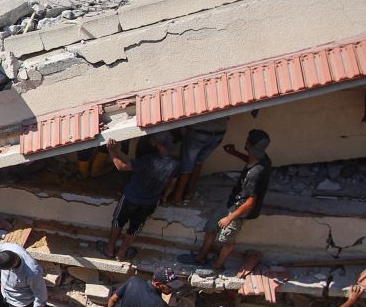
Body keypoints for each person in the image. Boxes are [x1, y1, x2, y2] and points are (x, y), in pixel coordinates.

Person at [182, 128, 272, 276]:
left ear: (249, 144)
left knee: (227, 239)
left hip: (240, 209)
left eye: (248, 139)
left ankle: (217, 264)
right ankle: (201, 257)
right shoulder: (261, 159)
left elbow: (250, 202)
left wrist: (230, 218)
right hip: (232, 201)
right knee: (211, 226)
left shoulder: (256, 173)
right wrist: (234, 153)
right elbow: (250, 160)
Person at [101, 135, 178, 260]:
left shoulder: (148, 160)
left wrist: (111, 149)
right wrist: (164, 197)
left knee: (118, 221)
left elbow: (121, 166)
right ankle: (121, 253)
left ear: (159, 146)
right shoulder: (176, 164)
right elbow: (172, 184)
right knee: (136, 226)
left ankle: (109, 249)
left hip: (131, 197)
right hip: (150, 202)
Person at [169, 116, 228, 204]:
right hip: (219, 133)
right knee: (198, 162)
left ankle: (177, 197)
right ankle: (189, 193)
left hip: (198, 132)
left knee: (186, 167)